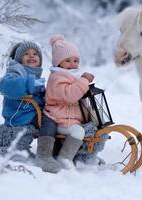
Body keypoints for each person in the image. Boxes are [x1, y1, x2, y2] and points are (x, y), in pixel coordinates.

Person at [0, 41, 61, 173]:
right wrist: (30, 83)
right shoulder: (16, 71)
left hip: (31, 112)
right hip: (19, 114)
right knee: (49, 122)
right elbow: (4, 86)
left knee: (57, 118)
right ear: (19, 58)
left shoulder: (34, 74)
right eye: (26, 54)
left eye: (35, 54)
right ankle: (43, 156)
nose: (31, 56)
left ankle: (57, 152)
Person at [44, 34, 94, 170]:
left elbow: (80, 97)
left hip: (71, 118)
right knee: (78, 132)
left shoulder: (72, 76)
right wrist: (84, 81)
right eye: (68, 61)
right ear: (58, 63)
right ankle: (64, 158)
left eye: (76, 60)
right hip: (59, 118)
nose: (73, 64)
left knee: (94, 128)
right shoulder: (57, 78)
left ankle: (85, 156)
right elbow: (71, 95)